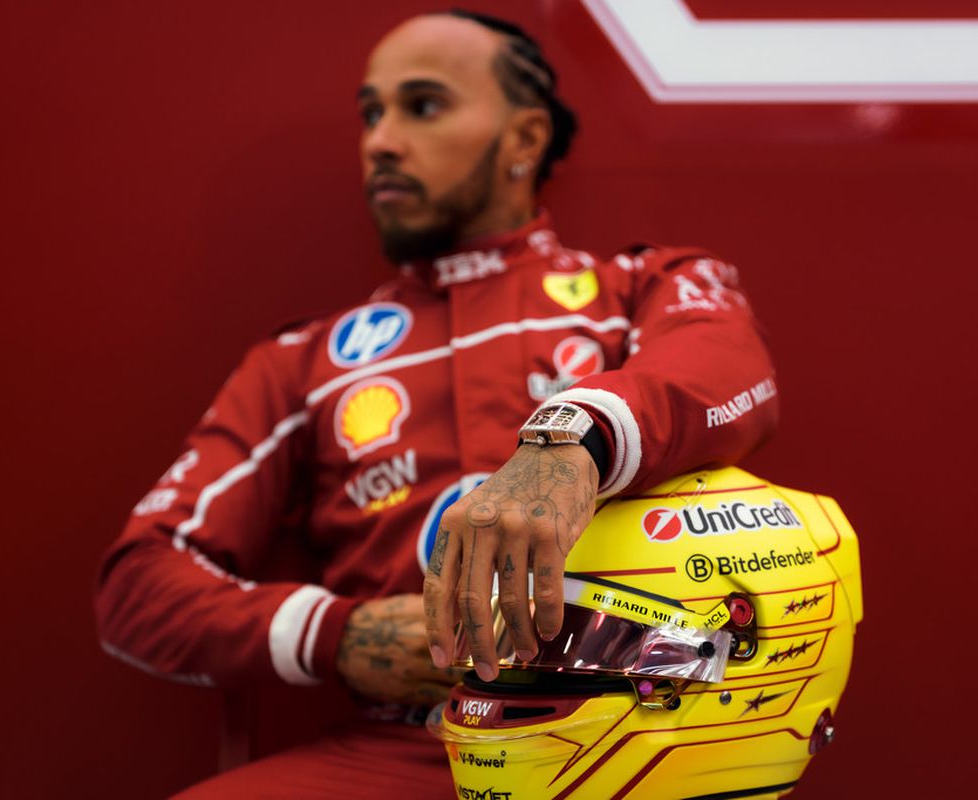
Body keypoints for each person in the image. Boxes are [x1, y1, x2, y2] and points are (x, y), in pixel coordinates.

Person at [94, 9, 779, 798]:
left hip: (636, 735)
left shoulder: (639, 287)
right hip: (405, 750)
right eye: (371, 114)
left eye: (422, 106)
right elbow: (137, 585)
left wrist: (572, 441)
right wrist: (335, 634)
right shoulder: (304, 360)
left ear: (524, 139)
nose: (380, 142)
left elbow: (728, 365)